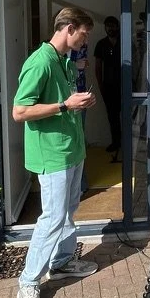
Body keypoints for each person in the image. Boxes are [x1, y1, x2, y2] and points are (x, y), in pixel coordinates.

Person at [12, 6, 99, 298]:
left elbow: (63, 106)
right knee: (52, 218)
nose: (85, 39)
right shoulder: (40, 63)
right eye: (84, 33)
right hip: (52, 155)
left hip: (71, 150)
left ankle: (61, 262)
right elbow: (19, 111)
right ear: (70, 28)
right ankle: (28, 282)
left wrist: (76, 103)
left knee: (69, 209)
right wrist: (65, 104)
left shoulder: (64, 62)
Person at [94, 15, 122, 158]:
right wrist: (100, 86)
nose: (110, 28)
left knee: (128, 116)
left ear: (117, 26)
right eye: (108, 26)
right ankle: (115, 142)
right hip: (108, 86)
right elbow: (98, 67)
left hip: (124, 85)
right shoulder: (101, 44)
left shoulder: (124, 41)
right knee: (112, 117)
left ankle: (127, 142)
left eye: (113, 25)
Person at [70, 39, 90, 194]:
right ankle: (77, 187)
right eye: (84, 34)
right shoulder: (52, 53)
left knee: (79, 139)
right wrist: (75, 66)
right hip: (67, 102)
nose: (86, 39)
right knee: (73, 140)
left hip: (81, 96)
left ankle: (81, 186)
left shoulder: (82, 47)